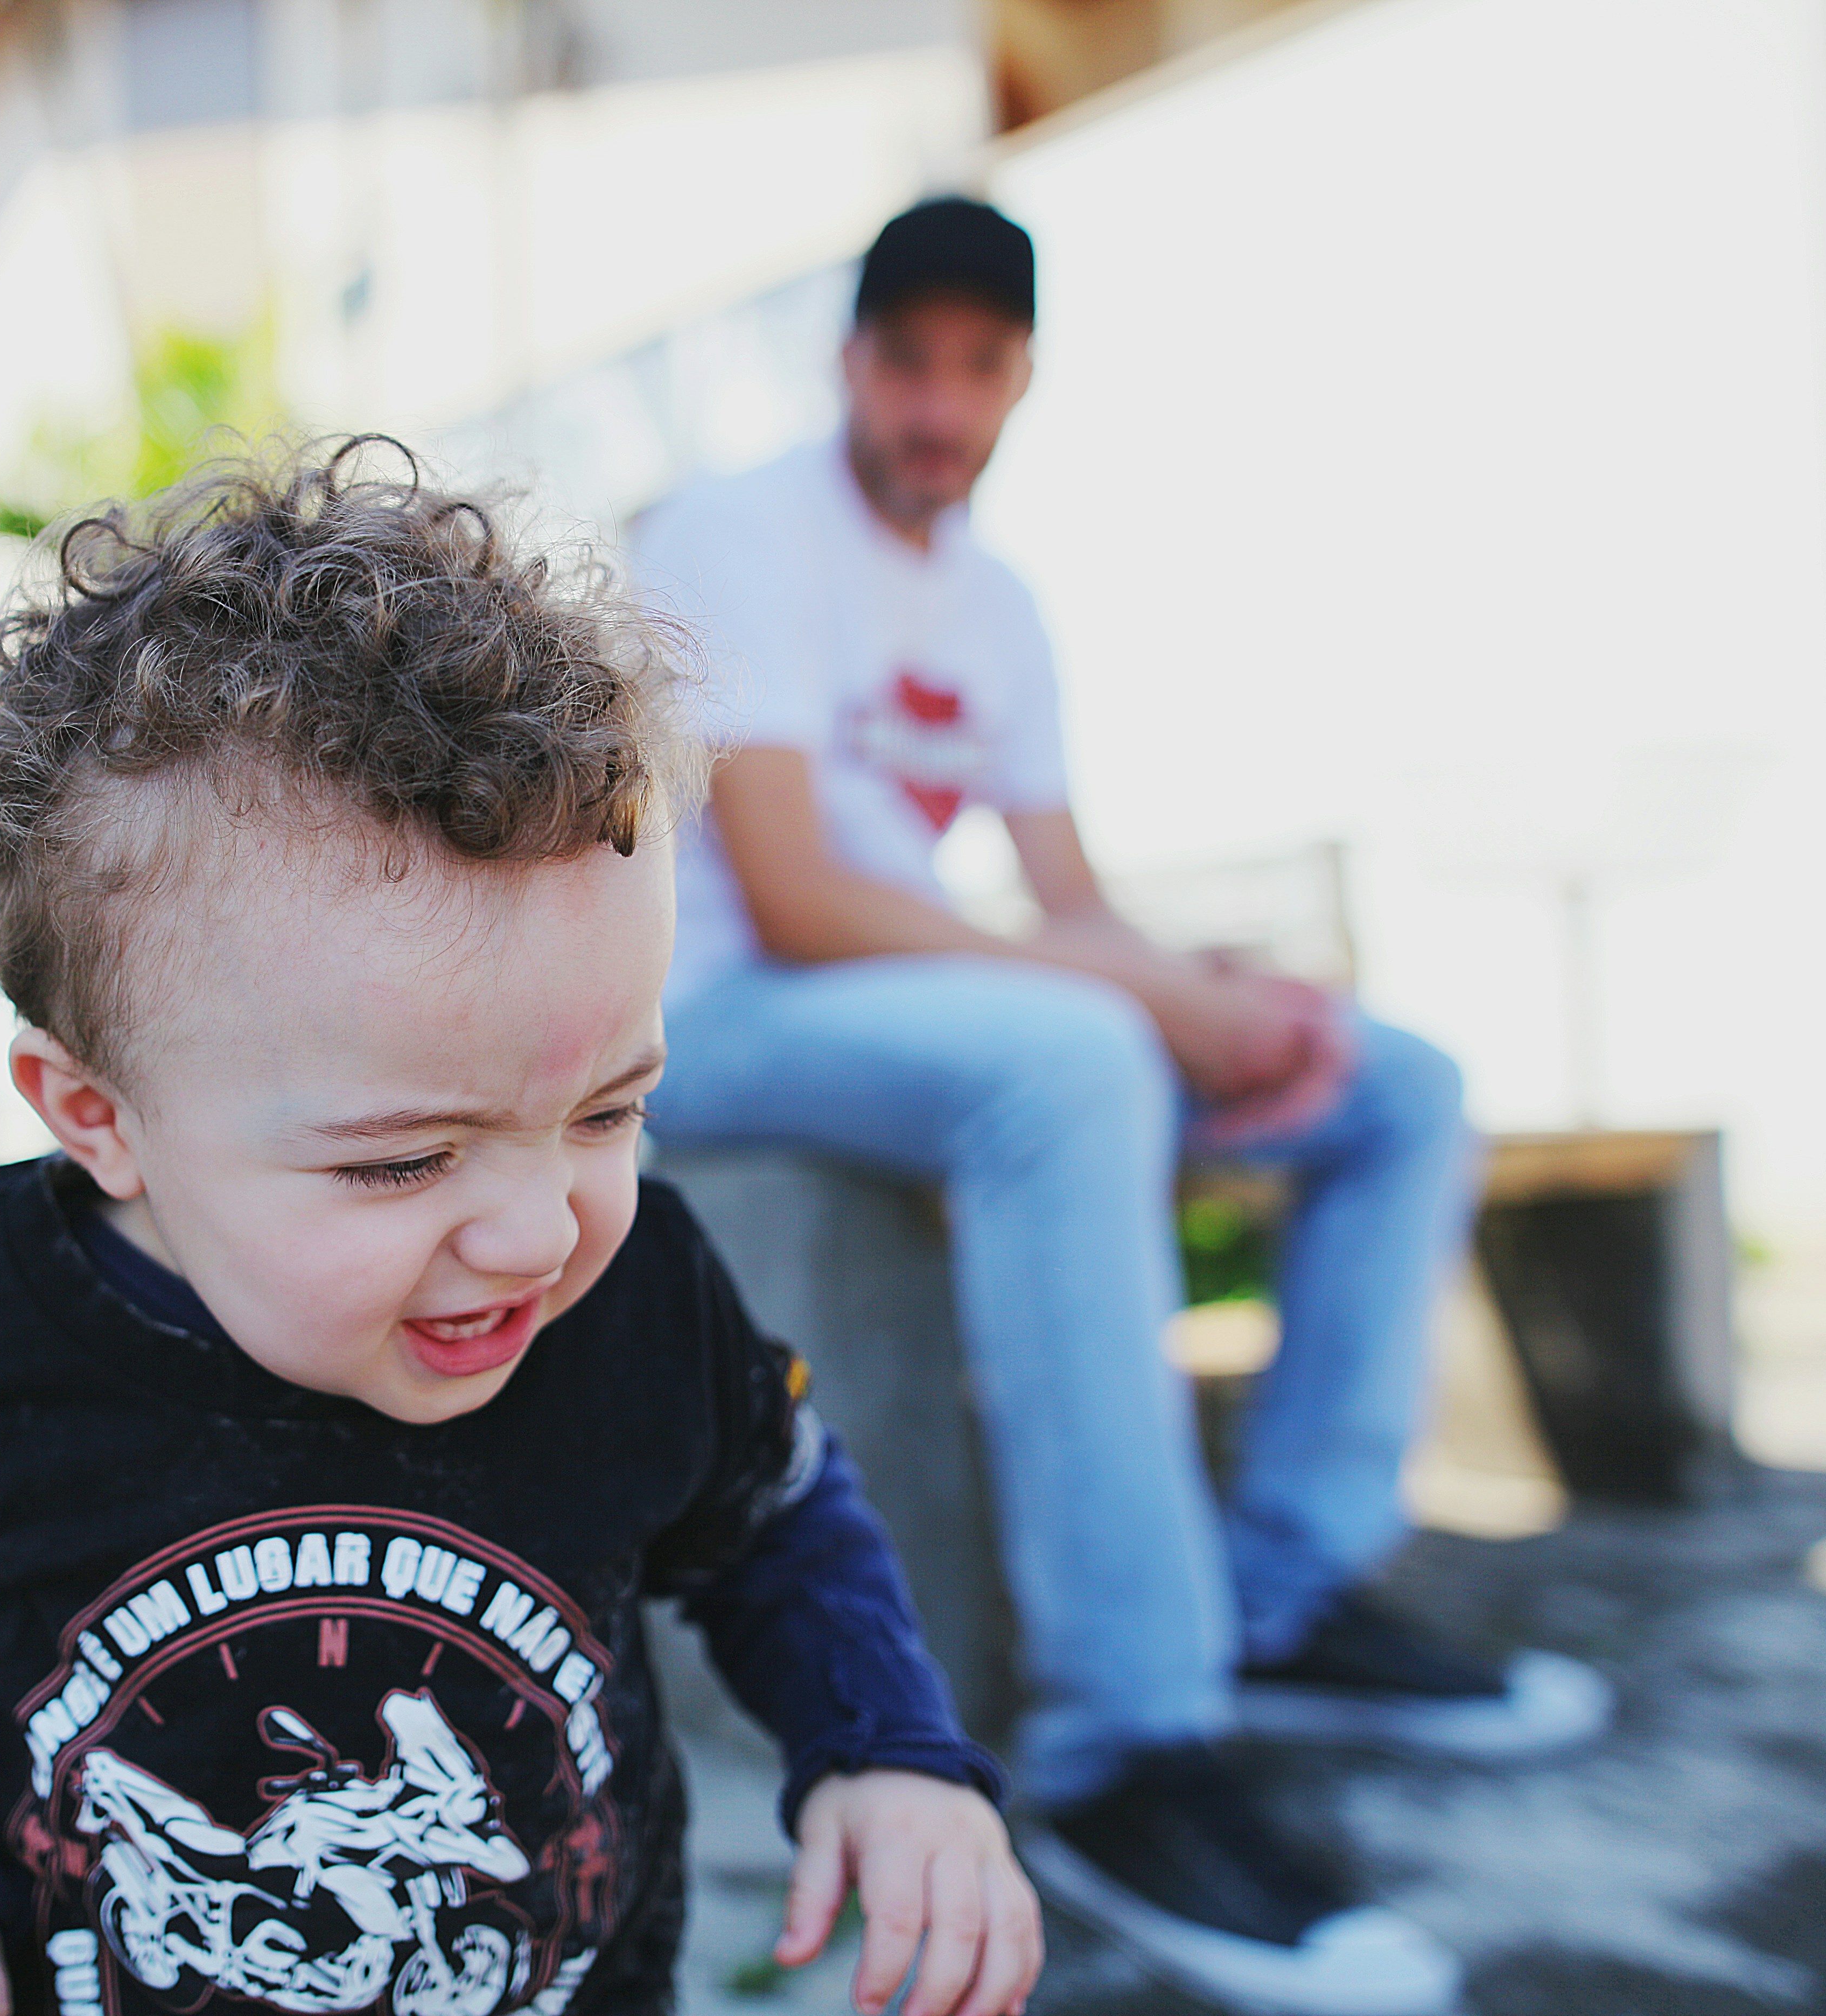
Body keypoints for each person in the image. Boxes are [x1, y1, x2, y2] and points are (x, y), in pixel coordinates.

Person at [0, 443, 1044, 2016]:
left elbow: (776, 1524)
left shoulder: (635, 1303)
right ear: (100, 1116)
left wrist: (887, 1749)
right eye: (403, 1163)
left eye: (608, 1112)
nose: (533, 1234)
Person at [632, 198, 1610, 2016]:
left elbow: (1067, 901)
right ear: (853, 365)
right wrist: (1143, 1003)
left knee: (1396, 1084)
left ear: (1019, 381)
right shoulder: (734, 532)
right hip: (733, 1014)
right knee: (1077, 1066)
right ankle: (1117, 1750)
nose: (938, 404)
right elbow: (798, 892)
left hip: (940, 1004)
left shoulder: (1000, 606)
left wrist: (1224, 1004)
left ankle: (1284, 1598)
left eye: (977, 367)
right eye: (906, 361)